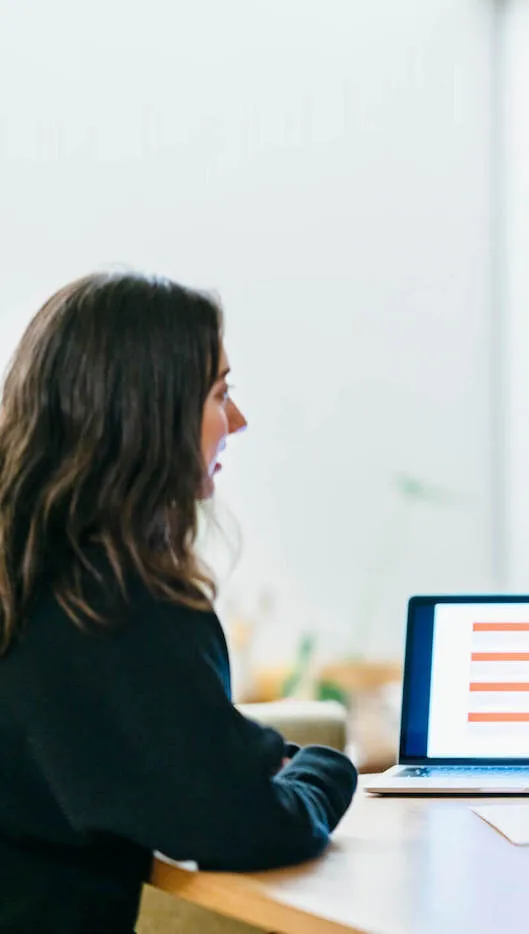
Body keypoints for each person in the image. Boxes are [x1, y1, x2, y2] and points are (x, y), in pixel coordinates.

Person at [0, 273, 358, 933]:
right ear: (146, 413)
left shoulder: (28, 577)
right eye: (220, 393)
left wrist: (251, 758)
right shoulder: (113, 604)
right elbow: (245, 826)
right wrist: (329, 767)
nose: (238, 421)